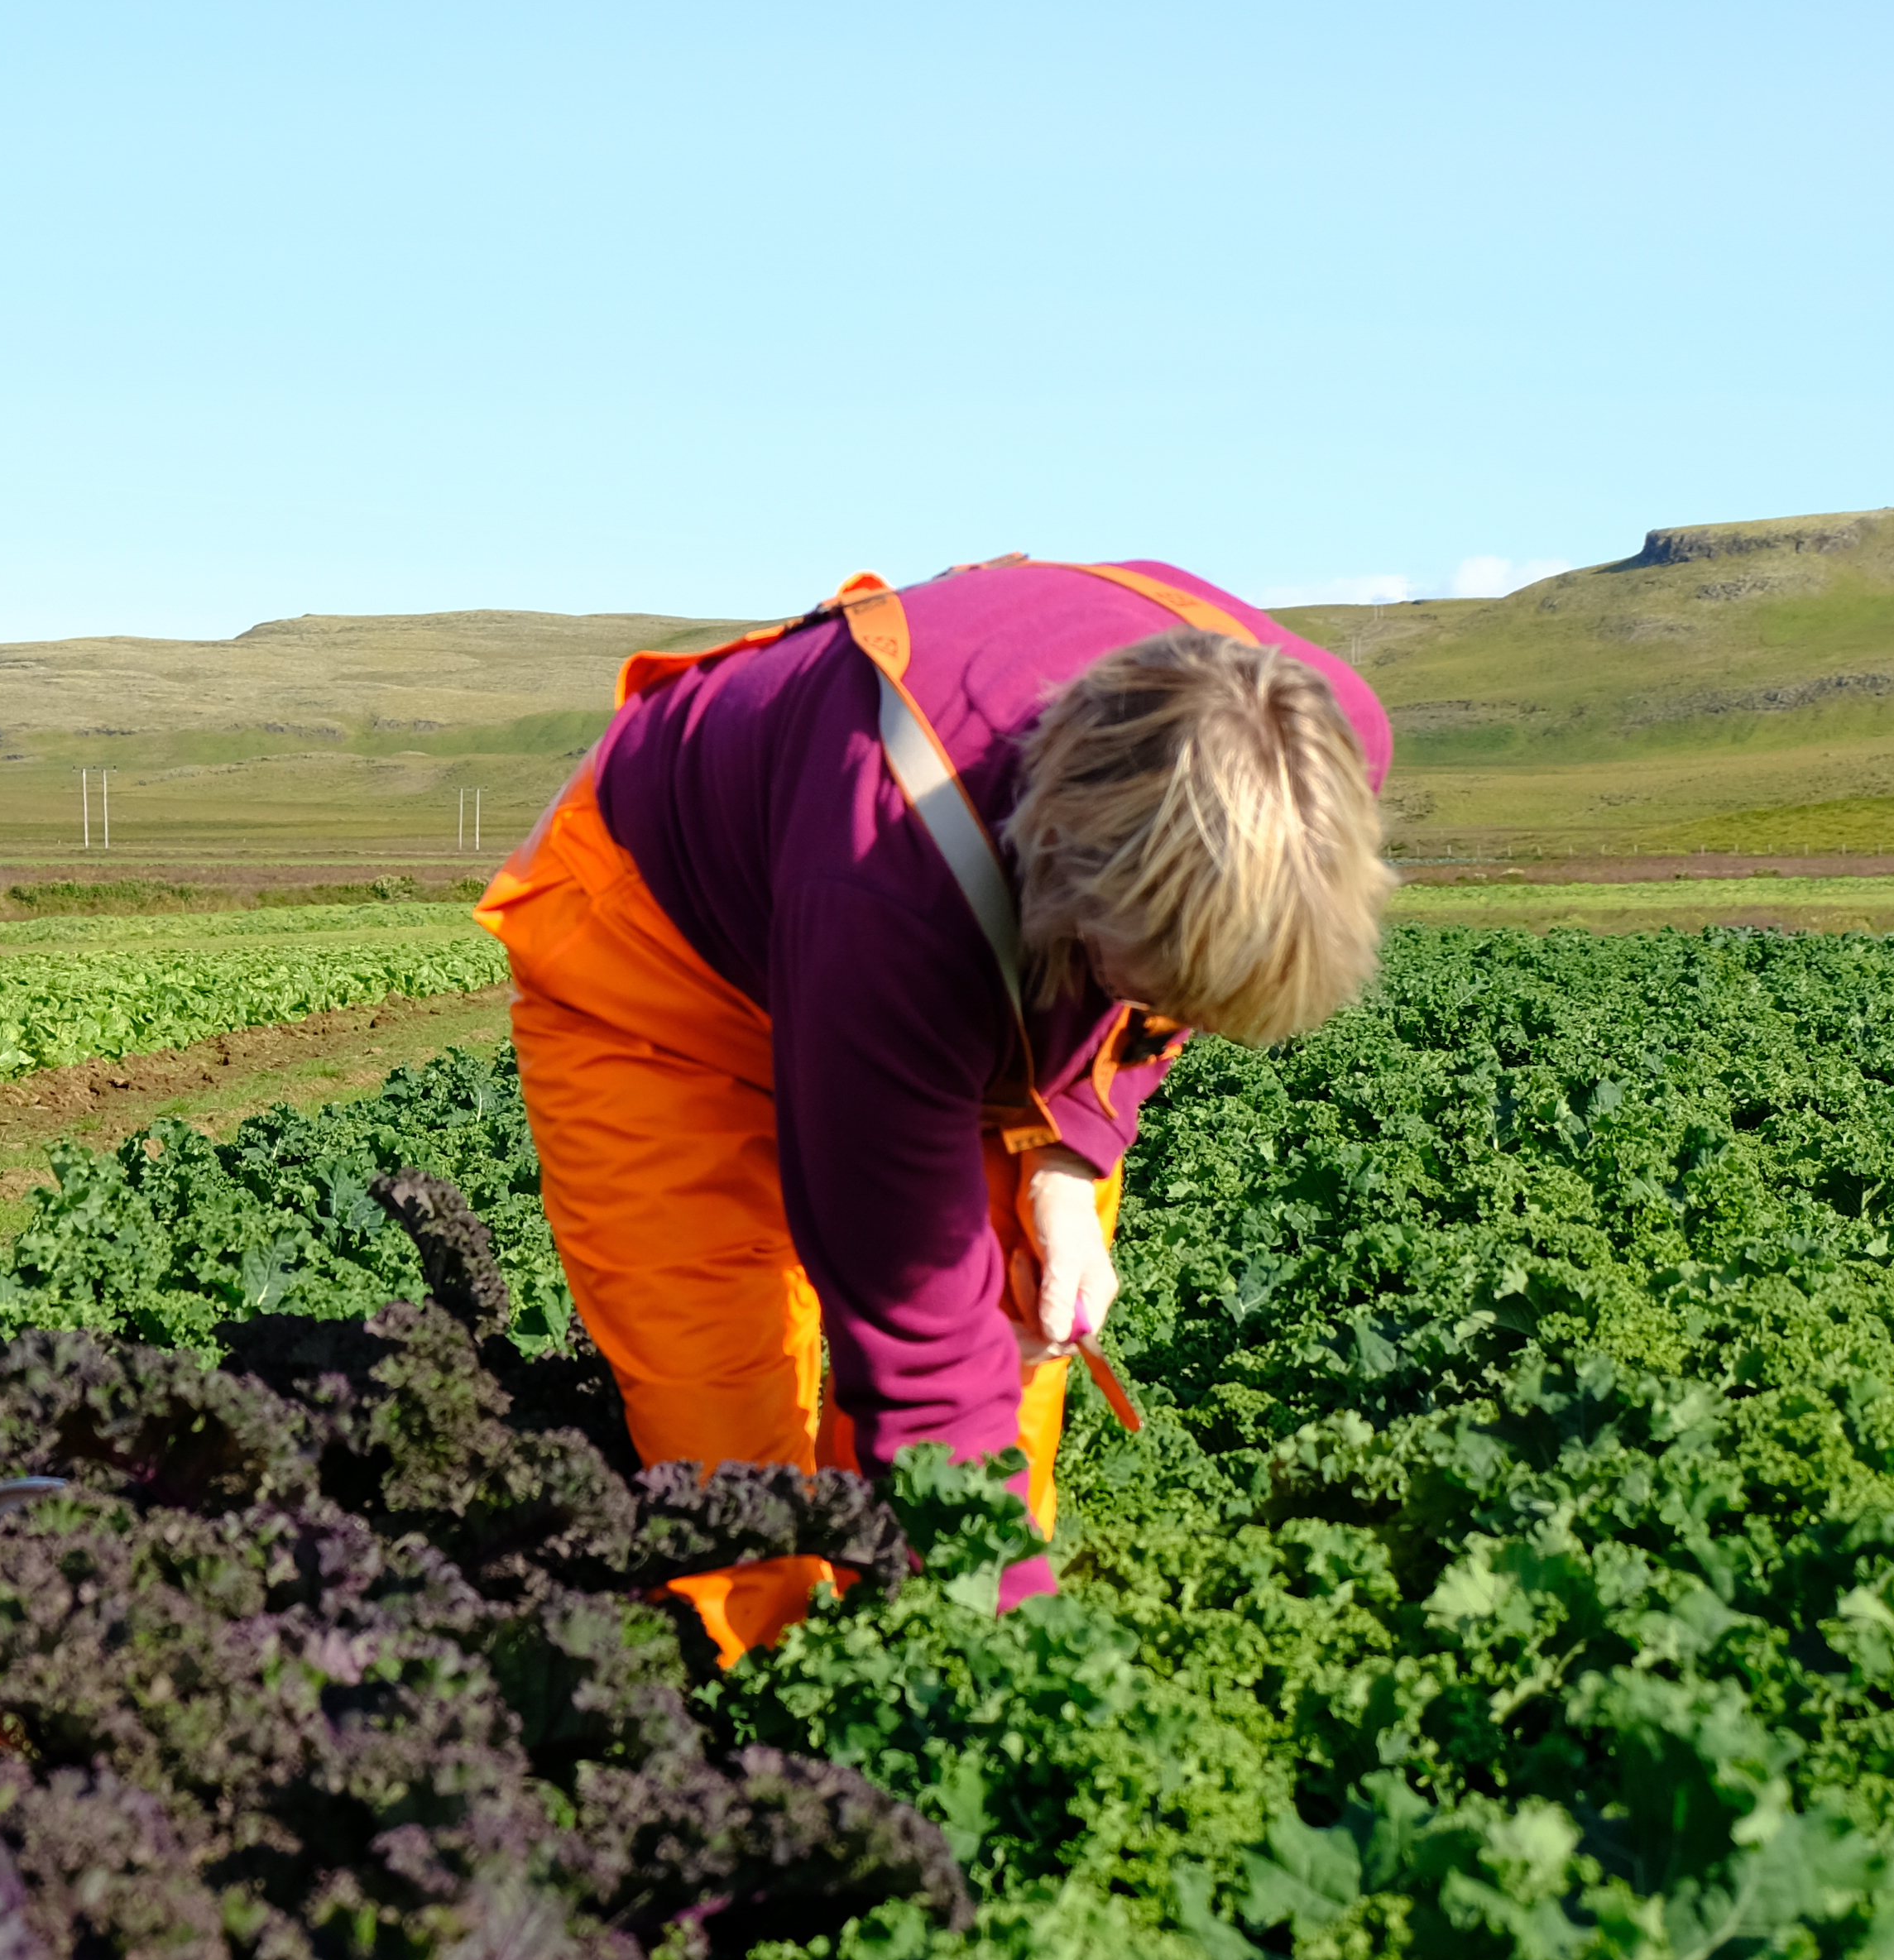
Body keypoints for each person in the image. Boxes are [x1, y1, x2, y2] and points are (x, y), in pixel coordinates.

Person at [474, 556, 1391, 1659]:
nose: (1154, 1015)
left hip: (944, 924)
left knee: (1022, 1325)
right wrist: (1006, 1670)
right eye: (1139, 984)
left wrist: (1073, 1147)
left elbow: (1155, 999)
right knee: (732, 1449)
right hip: (660, 956)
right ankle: (775, 1709)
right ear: (1065, 873)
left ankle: (936, 1649)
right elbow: (915, 1345)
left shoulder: (1315, 756)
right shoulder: (889, 890)